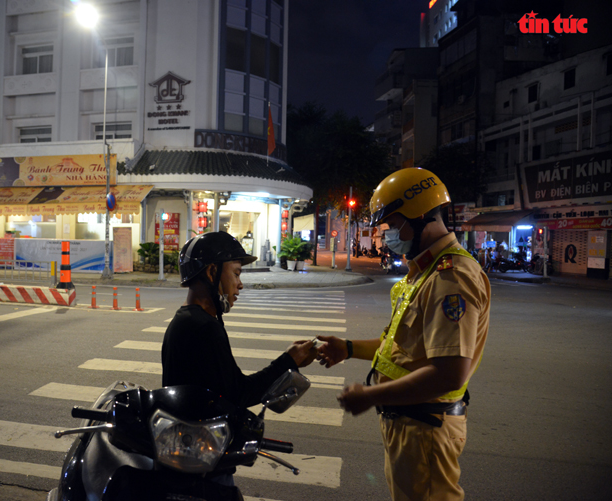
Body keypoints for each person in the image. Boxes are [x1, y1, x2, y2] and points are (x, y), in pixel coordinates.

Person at [316, 167, 491, 501]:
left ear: (421, 216)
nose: (389, 235)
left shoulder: (450, 278)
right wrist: (348, 348)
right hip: (410, 425)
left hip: (425, 428)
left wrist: (370, 396)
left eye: (394, 225)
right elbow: (400, 346)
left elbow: (450, 373)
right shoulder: (423, 272)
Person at [162, 231, 317, 408]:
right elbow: (239, 394)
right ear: (212, 272)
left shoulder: (185, 320)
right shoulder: (202, 327)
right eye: (236, 274)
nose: (240, 284)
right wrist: (289, 361)